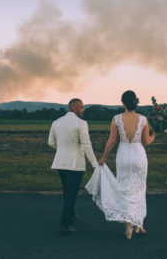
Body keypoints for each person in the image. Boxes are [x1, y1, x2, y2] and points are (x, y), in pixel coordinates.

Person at [85, 90, 156, 239]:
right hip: (139, 155)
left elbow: (111, 141)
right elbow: (147, 142)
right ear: (136, 102)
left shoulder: (116, 119)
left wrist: (103, 158)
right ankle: (138, 224)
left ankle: (129, 227)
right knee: (139, 188)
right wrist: (155, 132)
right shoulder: (143, 119)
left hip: (123, 155)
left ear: (122, 102)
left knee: (124, 189)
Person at [48, 98, 97, 234]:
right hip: (75, 164)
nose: (83, 110)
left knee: (67, 191)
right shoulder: (81, 123)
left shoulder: (56, 122)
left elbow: (50, 142)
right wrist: (94, 163)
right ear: (74, 108)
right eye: (81, 107)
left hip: (60, 162)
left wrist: (62, 150)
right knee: (71, 194)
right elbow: (87, 145)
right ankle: (64, 224)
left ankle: (71, 215)